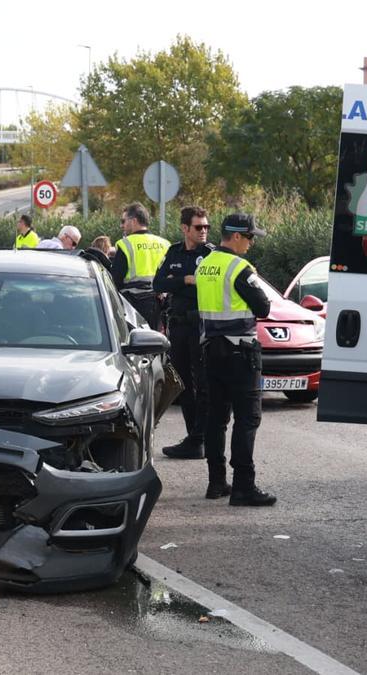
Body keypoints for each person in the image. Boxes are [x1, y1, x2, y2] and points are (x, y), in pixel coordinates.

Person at [196, 213, 275, 506]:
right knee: (247, 419)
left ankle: (216, 482)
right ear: (238, 236)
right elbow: (263, 307)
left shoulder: (205, 265)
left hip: (211, 351)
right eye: (251, 237)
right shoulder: (240, 267)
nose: (252, 243)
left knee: (216, 419)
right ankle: (244, 486)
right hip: (241, 353)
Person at [155, 206, 216, 460]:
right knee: (182, 384)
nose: (203, 231)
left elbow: (210, 285)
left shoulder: (211, 254)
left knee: (203, 384)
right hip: (179, 326)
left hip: (201, 326)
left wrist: (178, 280)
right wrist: (186, 280)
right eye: (198, 227)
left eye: (206, 227)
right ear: (185, 229)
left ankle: (200, 437)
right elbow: (158, 283)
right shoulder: (174, 252)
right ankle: (193, 438)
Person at [112, 203, 171, 330]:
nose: (122, 225)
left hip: (133, 306)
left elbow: (115, 280)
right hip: (160, 305)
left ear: (133, 221)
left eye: (123, 221)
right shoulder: (165, 244)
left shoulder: (125, 244)